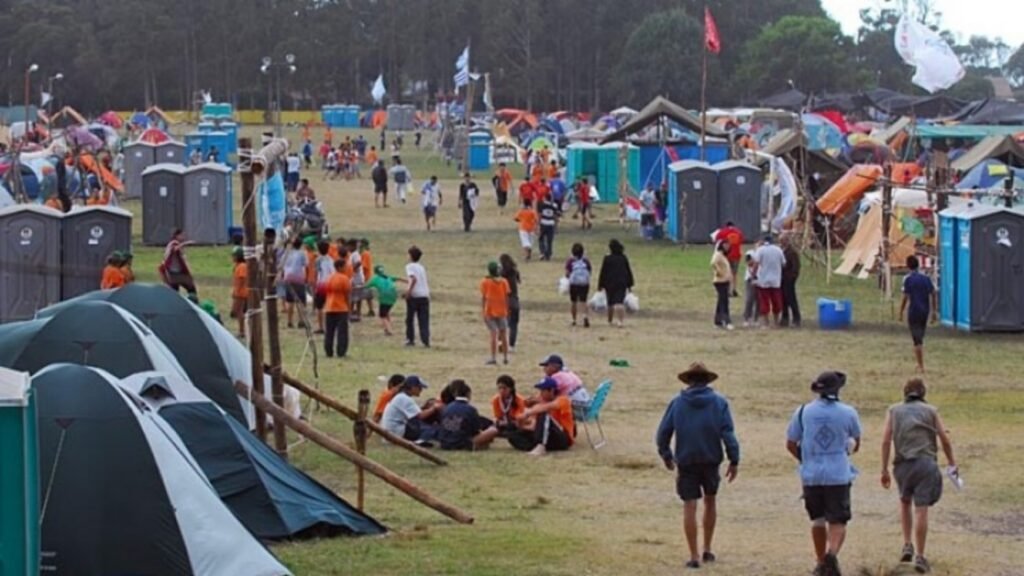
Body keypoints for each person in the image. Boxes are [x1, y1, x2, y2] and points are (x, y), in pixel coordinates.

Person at [656, 363, 740, 570]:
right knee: (710, 501)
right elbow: (728, 433)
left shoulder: (677, 403)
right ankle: (707, 548)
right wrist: (734, 459)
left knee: (690, 505)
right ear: (707, 381)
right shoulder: (719, 402)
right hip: (711, 460)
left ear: (688, 381)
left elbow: (663, 433)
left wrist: (666, 455)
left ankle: (693, 555)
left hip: (686, 461)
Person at [786, 371, 862, 576]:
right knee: (838, 520)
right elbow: (856, 442)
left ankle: (820, 561)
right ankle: (831, 555)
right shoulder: (848, 412)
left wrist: (805, 458)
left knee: (817, 520)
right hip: (838, 474)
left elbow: (791, 443)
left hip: (811, 475)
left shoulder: (802, 412)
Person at [880, 379, 958, 574]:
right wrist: (952, 462)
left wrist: (884, 468)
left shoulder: (894, 410)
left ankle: (907, 544)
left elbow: (886, 440)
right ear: (923, 393)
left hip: (902, 465)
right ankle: (921, 556)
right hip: (925, 463)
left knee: (905, 502)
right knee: (921, 509)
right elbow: (944, 439)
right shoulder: (931, 411)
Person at [508, 377, 575, 456]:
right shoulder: (540, 405)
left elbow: (548, 407)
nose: (540, 393)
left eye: (543, 390)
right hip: (549, 438)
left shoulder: (563, 400)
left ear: (552, 390)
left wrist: (527, 413)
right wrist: (521, 425)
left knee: (544, 414)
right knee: (513, 435)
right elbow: (535, 426)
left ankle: (540, 447)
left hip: (563, 438)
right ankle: (535, 446)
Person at [899, 255, 937, 373]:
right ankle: (919, 363)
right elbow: (933, 293)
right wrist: (934, 311)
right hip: (924, 311)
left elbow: (905, 297)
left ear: (908, 266)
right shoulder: (926, 278)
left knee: (917, 340)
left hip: (914, 311)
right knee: (920, 337)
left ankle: (921, 365)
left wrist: (901, 311)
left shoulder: (908, 279)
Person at [437, 380, 499, 451]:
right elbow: (476, 430)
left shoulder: (446, 408)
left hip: (444, 443)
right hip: (462, 444)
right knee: (493, 430)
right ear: (468, 394)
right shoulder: (470, 409)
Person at [381, 375, 442, 442]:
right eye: (419, 388)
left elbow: (415, 414)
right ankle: (420, 441)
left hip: (391, 429)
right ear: (413, 387)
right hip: (395, 431)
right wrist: (434, 407)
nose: (421, 390)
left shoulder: (401, 396)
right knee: (431, 429)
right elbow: (421, 416)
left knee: (424, 425)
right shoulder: (404, 398)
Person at [597, 239, 635, 327]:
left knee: (610, 303)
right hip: (621, 283)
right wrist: (630, 284)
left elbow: (603, 272)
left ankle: (609, 320)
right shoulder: (623, 258)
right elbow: (628, 271)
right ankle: (620, 321)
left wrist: (600, 284)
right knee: (619, 302)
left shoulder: (607, 258)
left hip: (609, 283)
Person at [751, 236, 786, 328]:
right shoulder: (778, 250)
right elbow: (783, 263)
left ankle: (765, 323)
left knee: (764, 301)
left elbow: (756, 264)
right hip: (776, 280)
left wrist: (753, 275)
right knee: (776, 301)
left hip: (763, 280)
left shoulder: (760, 250)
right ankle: (776, 322)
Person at [480, 261, 511, 365]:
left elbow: (484, 297)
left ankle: (493, 357)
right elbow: (507, 297)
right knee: (503, 334)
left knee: (493, 334)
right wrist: (507, 309)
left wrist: (483, 310)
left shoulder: (485, 282)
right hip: (502, 311)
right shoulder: (504, 282)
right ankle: (505, 357)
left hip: (489, 311)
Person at [323, 258, 352, 358]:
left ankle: (328, 351)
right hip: (341, 308)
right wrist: (349, 308)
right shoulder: (344, 279)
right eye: (344, 266)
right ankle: (341, 351)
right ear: (340, 267)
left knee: (329, 331)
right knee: (342, 332)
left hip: (329, 307)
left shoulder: (329, 278)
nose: (346, 268)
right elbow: (347, 295)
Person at [404, 246, 431, 348]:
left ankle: (410, 339)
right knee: (424, 319)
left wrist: (408, 292)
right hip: (424, 295)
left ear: (411, 256)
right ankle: (425, 340)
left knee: (410, 319)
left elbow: (413, 279)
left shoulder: (409, 266)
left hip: (415, 296)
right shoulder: (421, 267)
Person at [366, 265, 403, 336]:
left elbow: (366, 286)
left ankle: (389, 330)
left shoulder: (375, 279)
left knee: (382, 315)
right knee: (386, 312)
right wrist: (408, 281)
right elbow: (399, 278)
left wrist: (355, 287)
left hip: (384, 298)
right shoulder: (388, 277)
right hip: (393, 296)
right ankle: (387, 328)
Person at [280, 237, 309, 329]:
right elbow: (306, 265)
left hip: (288, 277)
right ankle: (301, 321)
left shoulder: (286, 254)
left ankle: (289, 321)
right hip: (298, 277)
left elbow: (281, 266)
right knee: (300, 301)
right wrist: (306, 277)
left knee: (290, 301)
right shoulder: (302, 253)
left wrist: (283, 276)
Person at [160, 229, 197, 300]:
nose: (183, 236)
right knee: (190, 288)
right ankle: (193, 301)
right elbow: (174, 249)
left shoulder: (175, 243)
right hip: (174, 272)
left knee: (175, 291)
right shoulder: (174, 243)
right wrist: (185, 243)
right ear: (177, 235)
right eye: (182, 235)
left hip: (176, 272)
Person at [714, 221, 745, 296]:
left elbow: (716, 240)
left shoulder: (722, 232)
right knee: (734, 273)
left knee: (725, 273)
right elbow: (741, 242)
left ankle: (727, 290)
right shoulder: (739, 232)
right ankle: (734, 289)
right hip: (736, 256)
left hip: (726, 256)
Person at [565, 243, 592, 328]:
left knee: (573, 302)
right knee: (583, 301)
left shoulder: (570, 261)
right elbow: (589, 271)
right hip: (584, 283)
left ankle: (574, 320)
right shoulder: (586, 261)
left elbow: (567, 273)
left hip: (574, 283)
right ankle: (585, 316)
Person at [499, 254, 521, 351]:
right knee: (514, 325)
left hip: (505, 300)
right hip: (515, 300)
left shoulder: (502, 274)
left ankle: (500, 342)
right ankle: (512, 345)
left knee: (502, 323)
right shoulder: (514, 272)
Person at [311, 241, 334, 334]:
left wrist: (314, 286)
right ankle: (330, 326)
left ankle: (321, 327)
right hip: (330, 284)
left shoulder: (318, 260)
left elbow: (316, 274)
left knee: (319, 307)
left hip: (321, 285)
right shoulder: (331, 259)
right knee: (329, 306)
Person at [780, 234, 802, 328]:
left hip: (789, 279)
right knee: (783, 299)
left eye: (783, 240)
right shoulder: (781, 250)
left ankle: (796, 318)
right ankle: (785, 318)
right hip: (781, 279)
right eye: (780, 240)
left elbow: (796, 266)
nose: (781, 242)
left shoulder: (792, 252)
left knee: (791, 299)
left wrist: (792, 277)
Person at [711, 241, 734, 330]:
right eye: (725, 245)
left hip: (725, 280)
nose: (727, 247)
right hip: (720, 281)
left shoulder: (723, 256)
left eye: (728, 245)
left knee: (721, 301)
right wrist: (719, 272)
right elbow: (713, 263)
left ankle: (718, 321)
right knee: (724, 301)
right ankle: (727, 321)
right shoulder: (718, 255)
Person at [231, 249, 248, 338]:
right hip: (239, 291)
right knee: (238, 311)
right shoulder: (238, 266)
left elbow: (242, 279)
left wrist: (237, 291)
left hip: (241, 292)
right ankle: (241, 330)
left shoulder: (242, 266)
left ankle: (242, 331)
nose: (232, 258)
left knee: (239, 311)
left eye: (234, 256)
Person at [537, 193, 560, 261]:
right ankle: (548, 255)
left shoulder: (542, 204)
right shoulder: (554, 205)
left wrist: (538, 224)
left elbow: (540, 215)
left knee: (541, 239)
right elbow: (555, 217)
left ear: (545, 198)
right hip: (551, 224)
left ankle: (542, 253)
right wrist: (556, 226)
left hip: (543, 223)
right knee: (549, 240)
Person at [742, 251, 760, 328]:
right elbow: (748, 263)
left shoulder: (759, 262)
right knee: (749, 299)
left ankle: (756, 318)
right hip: (749, 280)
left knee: (758, 300)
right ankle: (747, 317)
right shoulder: (750, 254)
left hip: (759, 281)